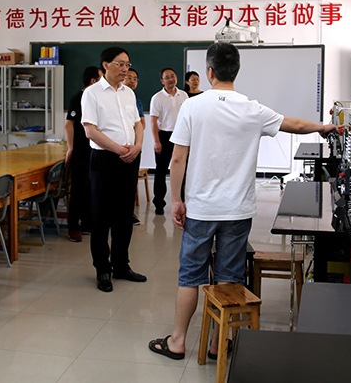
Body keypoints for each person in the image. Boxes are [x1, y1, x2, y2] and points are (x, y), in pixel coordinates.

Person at [148, 42, 340, 360]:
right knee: (229, 276)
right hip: (237, 210)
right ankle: (217, 344)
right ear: (236, 71)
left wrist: (177, 200)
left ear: (209, 72)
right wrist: (323, 127)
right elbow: (294, 124)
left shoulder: (192, 107)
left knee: (190, 276)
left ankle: (177, 341)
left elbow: (178, 159)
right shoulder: (253, 109)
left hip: (201, 209)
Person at [81, 46, 147, 292]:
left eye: (127, 64)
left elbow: (137, 124)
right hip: (105, 160)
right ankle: (102, 269)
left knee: (124, 215)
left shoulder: (129, 93)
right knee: (101, 217)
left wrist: (137, 146)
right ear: (106, 65)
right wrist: (120, 150)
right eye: (120, 64)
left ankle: (121, 265)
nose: (125, 69)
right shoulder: (92, 93)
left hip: (129, 159)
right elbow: (90, 131)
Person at [65, 66, 102, 242]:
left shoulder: (97, 98)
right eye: (101, 78)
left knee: (91, 189)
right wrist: (70, 148)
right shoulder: (77, 98)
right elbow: (69, 124)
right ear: (93, 81)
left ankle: (87, 222)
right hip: (80, 151)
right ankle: (73, 227)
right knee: (78, 190)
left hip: (95, 150)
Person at [149, 68, 188, 215]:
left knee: (182, 170)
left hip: (181, 137)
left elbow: (187, 117)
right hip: (164, 137)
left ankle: (181, 201)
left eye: (173, 76)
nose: (171, 79)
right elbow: (153, 121)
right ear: (162, 81)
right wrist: (156, 141)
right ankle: (159, 203)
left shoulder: (183, 95)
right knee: (161, 171)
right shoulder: (157, 98)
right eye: (167, 77)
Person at [123, 67, 145, 226]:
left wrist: (137, 144)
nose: (132, 81)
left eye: (135, 79)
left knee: (130, 183)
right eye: (129, 77)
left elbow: (142, 124)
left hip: (134, 146)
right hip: (118, 147)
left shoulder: (136, 100)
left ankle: (128, 214)